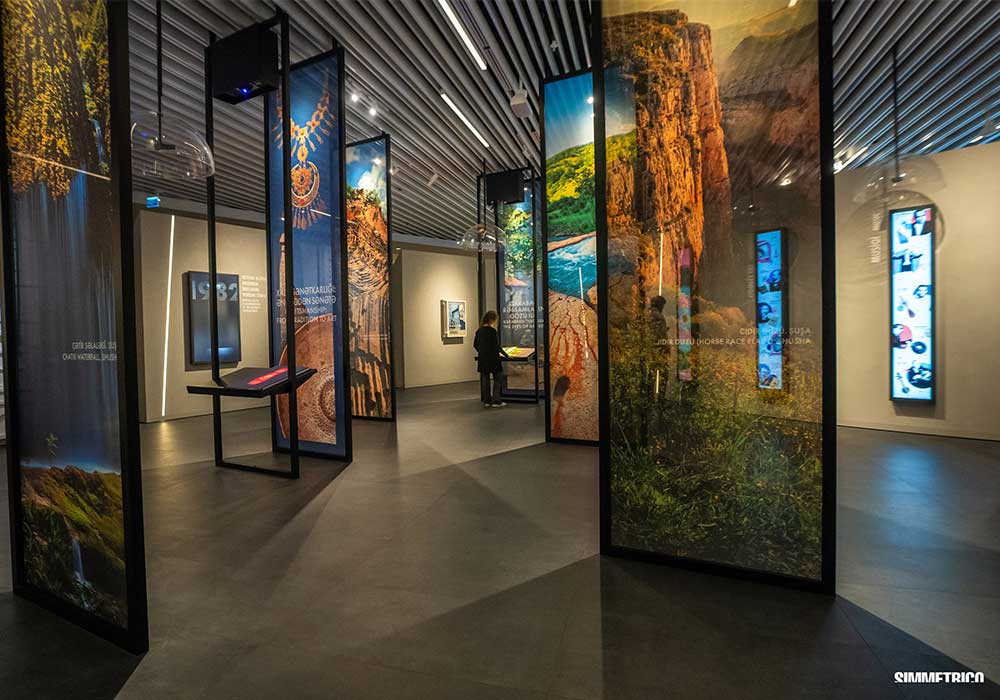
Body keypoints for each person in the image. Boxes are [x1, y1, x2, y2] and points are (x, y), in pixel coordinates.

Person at [474, 310, 509, 407]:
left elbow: (475, 344)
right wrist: (506, 355)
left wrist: (482, 352)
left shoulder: (479, 331)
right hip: (493, 359)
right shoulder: (492, 331)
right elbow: (497, 346)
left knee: (485, 379)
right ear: (492, 319)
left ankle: (487, 401)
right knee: (497, 378)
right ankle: (496, 400)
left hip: (483, 359)